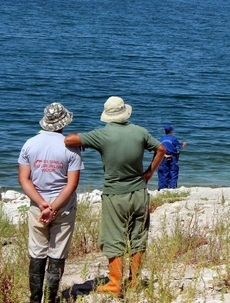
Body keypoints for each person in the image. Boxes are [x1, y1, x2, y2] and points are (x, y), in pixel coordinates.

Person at [64, 96, 165, 296]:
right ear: (125, 112)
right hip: (139, 192)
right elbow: (161, 149)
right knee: (138, 237)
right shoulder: (140, 131)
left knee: (113, 237)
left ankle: (115, 284)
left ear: (107, 115)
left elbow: (70, 139)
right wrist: (149, 173)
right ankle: (134, 281)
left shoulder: (102, 135)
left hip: (115, 194)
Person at [18, 103, 84, 303]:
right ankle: (50, 298)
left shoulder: (30, 143)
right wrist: (53, 207)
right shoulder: (71, 146)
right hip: (62, 204)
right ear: (64, 123)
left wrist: (41, 204)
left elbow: (24, 179)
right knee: (58, 252)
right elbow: (71, 185)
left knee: (37, 251)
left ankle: (35, 299)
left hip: (37, 204)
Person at [157, 125, 187, 190]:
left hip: (163, 157)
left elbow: (157, 149)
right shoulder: (173, 139)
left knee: (164, 173)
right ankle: (172, 188)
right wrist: (184, 143)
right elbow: (181, 146)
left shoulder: (161, 139)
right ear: (171, 131)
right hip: (172, 157)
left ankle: (162, 188)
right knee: (173, 172)